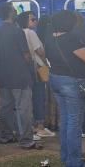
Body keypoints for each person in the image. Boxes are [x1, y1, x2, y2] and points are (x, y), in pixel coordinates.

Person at [45, 10, 85, 167]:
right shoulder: (71, 39)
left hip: (55, 79)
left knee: (66, 120)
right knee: (74, 123)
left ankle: (66, 157)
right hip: (71, 82)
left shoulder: (49, 39)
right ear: (69, 23)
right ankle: (74, 162)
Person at [0, 3, 40, 150]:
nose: (16, 11)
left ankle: (6, 135)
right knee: (24, 109)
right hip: (20, 76)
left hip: (3, 75)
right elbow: (26, 55)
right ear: (10, 13)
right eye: (14, 9)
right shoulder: (16, 31)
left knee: (6, 107)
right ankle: (26, 140)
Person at [17, 11, 55, 139]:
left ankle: (33, 125)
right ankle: (40, 127)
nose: (35, 21)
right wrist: (46, 64)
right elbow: (40, 51)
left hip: (25, 68)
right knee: (40, 95)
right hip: (38, 67)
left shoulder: (18, 32)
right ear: (25, 21)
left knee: (30, 97)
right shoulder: (31, 33)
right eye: (32, 19)